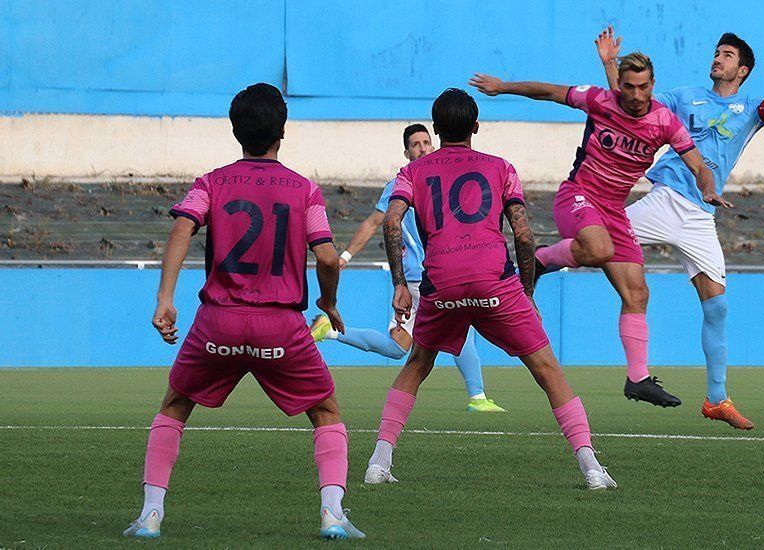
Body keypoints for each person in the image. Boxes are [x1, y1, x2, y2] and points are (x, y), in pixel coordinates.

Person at [122, 83, 364, 540]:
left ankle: (150, 515)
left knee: (175, 405)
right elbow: (329, 257)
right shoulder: (304, 190)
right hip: (281, 328)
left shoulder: (212, 182)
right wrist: (328, 303)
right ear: (283, 131)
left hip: (219, 322)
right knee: (326, 411)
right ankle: (333, 513)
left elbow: (181, 227)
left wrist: (164, 299)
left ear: (235, 132)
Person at [363, 88, 616, 490]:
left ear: (436, 129)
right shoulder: (501, 167)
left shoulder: (412, 171)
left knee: (416, 366)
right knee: (547, 370)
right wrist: (528, 294)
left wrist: (399, 284)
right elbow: (525, 235)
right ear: (476, 127)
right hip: (494, 282)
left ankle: (378, 462)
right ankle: (592, 468)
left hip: (442, 282)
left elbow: (392, 222)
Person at [470, 54, 725, 407]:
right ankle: (541, 260)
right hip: (578, 195)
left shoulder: (665, 122)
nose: (637, 95)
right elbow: (548, 92)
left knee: (637, 293)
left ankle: (637, 378)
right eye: (630, 87)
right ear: (619, 85)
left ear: (653, 85)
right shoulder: (599, 101)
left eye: (644, 87)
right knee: (599, 248)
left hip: (614, 212)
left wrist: (708, 188)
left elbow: (698, 164)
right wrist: (503, 87)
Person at [594, 11, 764, 429]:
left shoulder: (751, 108)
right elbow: (631, 105)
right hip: (667, 197)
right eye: (716, 53)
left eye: (726, 55)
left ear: (742, 69)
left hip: (700, 216)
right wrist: (609, 65)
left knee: (718, 304)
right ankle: (529, 270)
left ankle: (716, 399)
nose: (717, 59)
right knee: (591, 240)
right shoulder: (684, 96)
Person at [310, 124, 506, 412]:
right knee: (461, 326)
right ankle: (477, 397)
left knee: (398, 345)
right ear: (406, 151)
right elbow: (374, 223)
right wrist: (346, 256)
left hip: (438, 273)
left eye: (426, 142)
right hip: (421, 276)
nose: (423, 147)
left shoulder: (442, 178)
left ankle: (331, 332)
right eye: (416, 144)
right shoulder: (400, 185)